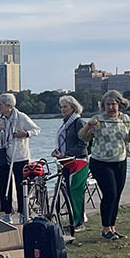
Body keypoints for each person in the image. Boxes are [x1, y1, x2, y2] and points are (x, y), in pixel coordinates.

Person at [80, 89, 130, 241]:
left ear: (119, 104)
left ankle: (112, 228)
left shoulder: (125, 119)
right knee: (110, 193)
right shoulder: (98, 119)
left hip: (120, 161)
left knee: (117, 196)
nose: (111, 107)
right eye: (107, 105)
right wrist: (89, 127)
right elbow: (82, 137)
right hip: (100, 162)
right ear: (103, 106)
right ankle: (105, 229)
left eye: (113, 104)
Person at [0, 93, 39, 222]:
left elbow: (36, 130)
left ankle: (23, 212)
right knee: (4, 185)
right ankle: (7, 212)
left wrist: (25, 133)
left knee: (20, 184)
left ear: (9, 106)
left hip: (19, 155)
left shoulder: (21, 117)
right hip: (3, 155)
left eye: (1, 104)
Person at [51, 95, 89, 227]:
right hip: (66, 162)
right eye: (61, 107)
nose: (62, 109)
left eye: (65, 106)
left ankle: (79, 222)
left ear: (73, 107)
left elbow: (83, 144)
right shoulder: (66, 123)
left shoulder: (79, 123)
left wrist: (66, 153)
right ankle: (74, 220)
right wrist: (57, 152)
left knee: (76, 192)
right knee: (69, 192)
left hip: (78, 162)